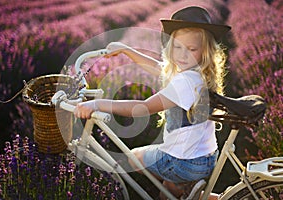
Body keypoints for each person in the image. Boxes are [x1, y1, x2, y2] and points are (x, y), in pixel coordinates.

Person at [74, 6, 231, 200]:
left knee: (134, 158)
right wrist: (127, 50)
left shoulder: (186, 82)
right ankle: (200, 193)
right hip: (204, 158)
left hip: (183, 162)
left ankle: (182, 185)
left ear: (205, 51)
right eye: (177, 47)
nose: (183, 55)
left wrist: (97, 104)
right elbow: (159, 69)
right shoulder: (197, 73)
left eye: (192, 49)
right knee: (168, 188)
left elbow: (144, 108)